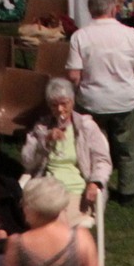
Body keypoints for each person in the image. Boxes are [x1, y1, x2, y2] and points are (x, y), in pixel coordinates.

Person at [68, 0, 134, 206]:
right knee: (127, 149)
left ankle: (95, 187)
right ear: (114, 9)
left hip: (92, 102)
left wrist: (78, 91)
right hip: (124, 100)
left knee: (93, 147)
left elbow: (73, 75)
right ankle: (128, 193)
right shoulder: (128, 34)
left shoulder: (80, 36)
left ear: (91, 10)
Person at [22, 78, 111, 217]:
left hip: (76, 189)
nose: (59, 109)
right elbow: (27, 161)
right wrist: (45, 140)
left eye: (64, 103)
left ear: (72, 102)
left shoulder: (86, 127)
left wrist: (95, 182)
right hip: (48, 189)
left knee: (62, 223)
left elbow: (102, 161)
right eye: (54, 105)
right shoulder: (42, 128)